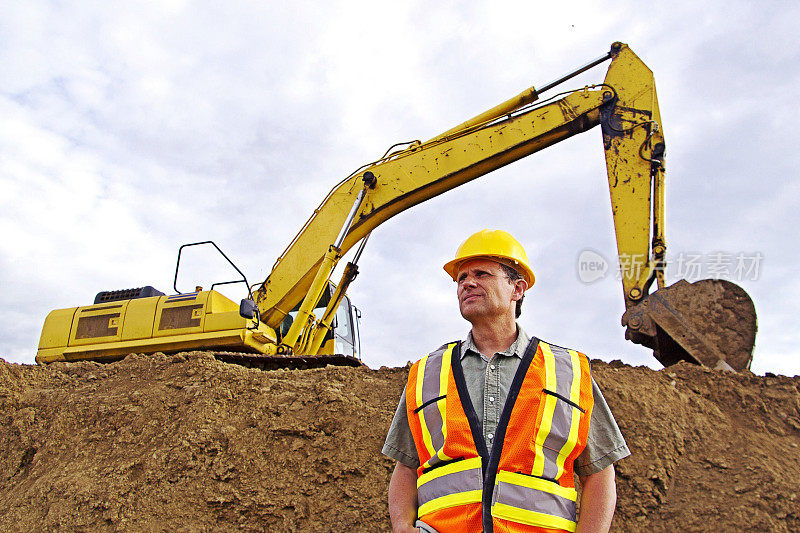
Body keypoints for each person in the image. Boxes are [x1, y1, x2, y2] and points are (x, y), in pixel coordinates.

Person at [382, 229, 630, 533]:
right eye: (461, 278)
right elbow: (406, 466)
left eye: (482, 274)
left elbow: (599, 472)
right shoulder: (427, 372)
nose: (467, 283)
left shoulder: (568, 371)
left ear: (517, 289)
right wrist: (402, 527)